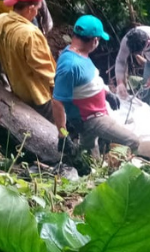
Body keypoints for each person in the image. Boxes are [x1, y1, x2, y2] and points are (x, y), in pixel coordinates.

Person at [52, 15, 141, 159]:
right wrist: (62, 135)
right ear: (95, 40)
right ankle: (119, 173)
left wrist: (106, 93)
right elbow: (57, 102)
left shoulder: (80, 54)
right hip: (91, 118)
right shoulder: (70, 65)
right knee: (133, 141)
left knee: (89, 152)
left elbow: (91, 81)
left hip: (95, 112)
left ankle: (88, 170)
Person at [0, 0, 56, 122]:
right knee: (53, 129)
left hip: (17, 89)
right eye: (37, 10)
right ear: (30, 9)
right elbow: (45, 69)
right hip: (38, 95)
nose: (37, 14)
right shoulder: (30, 34)